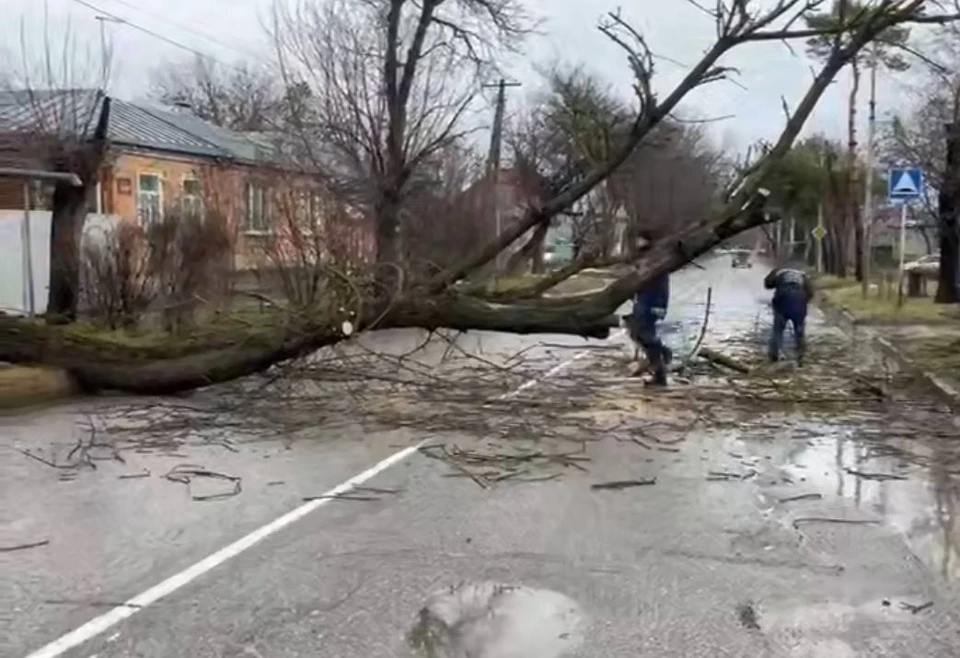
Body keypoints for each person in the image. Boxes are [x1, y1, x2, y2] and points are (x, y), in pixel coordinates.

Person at [764, 266, 814, 365]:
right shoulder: (802, 274)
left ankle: (774, 355)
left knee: (778, 329)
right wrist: (803, 303)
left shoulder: (779, 272)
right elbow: (810, 293)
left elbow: (768, 284)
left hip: (782, 300)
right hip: (799, 301)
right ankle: (800, 356)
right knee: (799, 330)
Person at [631, 271, 673, 386]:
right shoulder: (645, 260)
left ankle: (660, 370)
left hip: (651, 302)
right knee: (637, 333)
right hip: (642, 299)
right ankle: (660, 362)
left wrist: (660, 305)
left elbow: (663, 285)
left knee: (645, 335)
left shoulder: (658, 262)